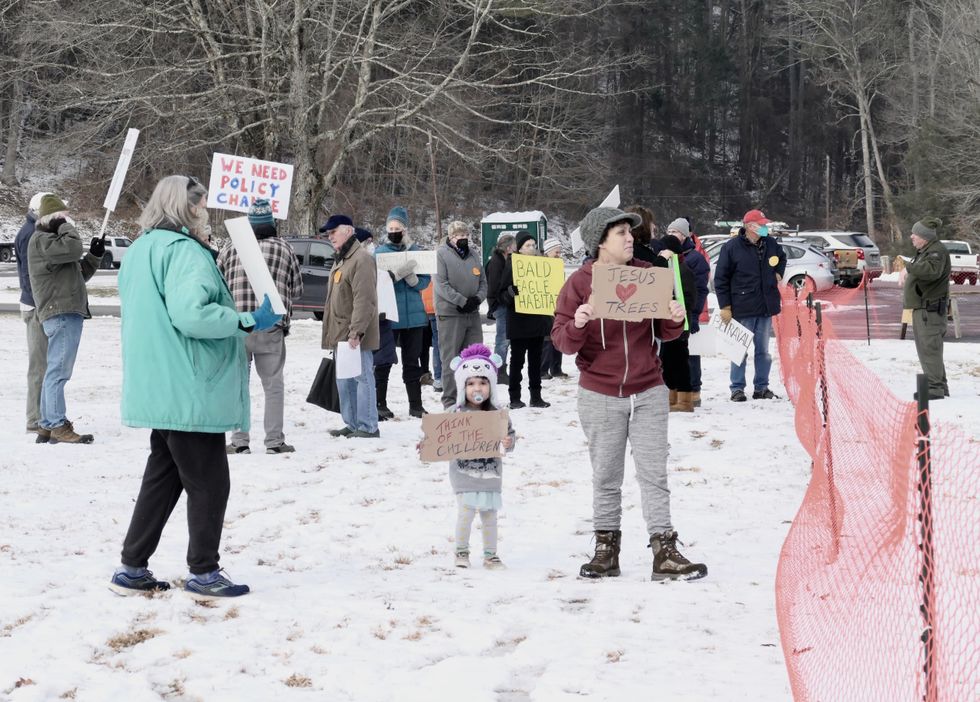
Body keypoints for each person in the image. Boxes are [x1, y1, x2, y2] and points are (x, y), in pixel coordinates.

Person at [110, 175, 280, 599]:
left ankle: (132, 566)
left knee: (163, 478)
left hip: (159, 382)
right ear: (186, 206)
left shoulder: (142, 248)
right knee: (209, 481)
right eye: (202, 202)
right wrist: (243, 320)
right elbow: (192, 315)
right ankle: (204, 570)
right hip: (189, 384)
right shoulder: (184, 252)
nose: (206, 209)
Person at [551, 206, 707, 582]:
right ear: (599, 241)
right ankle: (607, 550)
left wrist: (673, 317)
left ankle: (664, 550)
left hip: (649, 389)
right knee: (606, 476)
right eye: (620, 232)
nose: (629, 238)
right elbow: (561, 340)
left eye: (629, 232)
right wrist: (578, 323)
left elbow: (668, 332)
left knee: (654, 474)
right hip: (600, 393)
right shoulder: (579, 283)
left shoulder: (648, 275)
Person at [217, 198, 304, 454]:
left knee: (238, 385)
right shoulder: (284, 248)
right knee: (273, 385)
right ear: (271, 222)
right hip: (271, 326)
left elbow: (218, 286)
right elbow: (297, 290)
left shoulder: (230, 248)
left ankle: (239, 441)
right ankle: (274, 442)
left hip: (238, 327)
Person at [27, 194, 103, 444]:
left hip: (65, 310)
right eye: (63, 217)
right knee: (58, 372)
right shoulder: (42, 240)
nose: (68, 221)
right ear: (53, 219)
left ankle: (48, 425)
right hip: (59, 313)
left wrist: (94, 255)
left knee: (55, 370)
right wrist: (65, 226)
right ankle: (57, 424)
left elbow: (77, 275)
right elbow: (72, 248)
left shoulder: (51, 243)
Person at [443, 343, 515, 569]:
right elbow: (440, 437)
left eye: (483, 383)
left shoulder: (498, 415)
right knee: (465, 514)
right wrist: (427, 443)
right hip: (464, 475)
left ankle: (490, 555)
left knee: (490, 516)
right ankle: (461, 551)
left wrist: (508, 441)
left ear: (491, 386)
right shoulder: (455, 414)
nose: (478, 388)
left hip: (490, 475)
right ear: (462, 387)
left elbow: (510, 437)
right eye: (471, 383)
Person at [714, 209, 787, 402]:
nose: (764, 227)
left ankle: (761, 388)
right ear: (749, 226)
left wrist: (778, 272)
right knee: (740, 351)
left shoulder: (771, 243)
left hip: (765, 307)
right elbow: (721, 278)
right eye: (760, 224)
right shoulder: (731, 247)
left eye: (765, 224)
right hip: (742, 307)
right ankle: (737, 388)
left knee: (763, 351)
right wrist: (725, 306)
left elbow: (782, 258)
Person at [321, 215, 381, 438]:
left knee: (362, 378)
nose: (330, 237)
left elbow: (364, 300)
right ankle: (353, 423)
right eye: (328, 233)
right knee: (345, 380)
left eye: (333, 232)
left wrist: (357, 331)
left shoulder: (361, 259)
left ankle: (368, 426)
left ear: (348, 231)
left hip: (354, 334)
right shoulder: (342, 259)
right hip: (340, 334)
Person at [374, 206, 432, 418]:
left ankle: (415, 405)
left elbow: (425, 281)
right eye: (391, 227)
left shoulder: (417, 251)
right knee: (383, 360)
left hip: (415, 317)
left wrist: (413, 279)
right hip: (390, 316)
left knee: (412, 361)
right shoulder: (379, 254)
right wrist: (394, 275)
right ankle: (380, 403)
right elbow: (375, 282)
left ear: (405, 229)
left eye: (397, 227)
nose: (394, 230)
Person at [435, 220, 487, 409]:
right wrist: (461, 301)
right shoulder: (441, 254)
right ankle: (450, 401)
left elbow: (483, 281)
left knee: (475, 358)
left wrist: (477, 299)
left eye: (465, 235)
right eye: (459, 235)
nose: (463, 238)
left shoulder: (473, 254)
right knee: (451, 360)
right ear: (451, 237)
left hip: (472, 314)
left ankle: (473, 398)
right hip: (450, 315)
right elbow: (441, 284)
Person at [498, 231, 551, 409]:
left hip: (537, 320)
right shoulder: (512, 264)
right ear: (519, 248)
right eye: (528, 245)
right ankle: (515, 397)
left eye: (534, 245)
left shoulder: (542, 264)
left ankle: (536, 396)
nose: (532, 248)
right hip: (519, 321)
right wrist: (511, 293)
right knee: (517, 361)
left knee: (536, 361)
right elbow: (501, 293)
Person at [902, 217, 951, 400]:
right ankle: (940, 386)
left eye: (915, 234)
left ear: (925, 236)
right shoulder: (927, 250)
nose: (912, 237)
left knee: (929, 348)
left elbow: (931, 271)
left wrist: (909, 267)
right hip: (923, 309)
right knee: (929, 349)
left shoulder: (936, 251)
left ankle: (934, 388)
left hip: (929, 311)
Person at [15, 192, 50, 436]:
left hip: (36, 303)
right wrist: (41, 303)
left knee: (44, 364)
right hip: (35, 305)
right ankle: (34, 418)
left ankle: (42, 415)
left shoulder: (33, 230)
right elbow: (29, 276)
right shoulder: (30, 234)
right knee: (38, 365)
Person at [656, 218, 701, 413]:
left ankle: (684, 399)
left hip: (680, 324)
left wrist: (681, 312)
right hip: (670, 323)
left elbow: (691, 297)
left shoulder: (681, 270)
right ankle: (672, 397)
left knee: (679, 361)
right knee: (668, 360)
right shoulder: (670, 268)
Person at [686, 220, 712, 407]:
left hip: (697, 311)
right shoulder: (670, 250)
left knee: (693, 354)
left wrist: (696, 314)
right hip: (679, 312)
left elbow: (702, 285)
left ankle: (695, 392)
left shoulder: (699, 253)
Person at [485, 233, 516, 384]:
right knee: (502, 339)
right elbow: (494, 286)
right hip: (500, 304)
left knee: (505, 338)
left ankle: (501, 369)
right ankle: (500, 370)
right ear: (509, 247)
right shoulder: (496, 262)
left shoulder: (505, 259)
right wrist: (500, 300)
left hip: (505, 302)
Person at [539, 237, 568, 380]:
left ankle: (556, 368)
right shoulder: (541, 266)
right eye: (556, 252)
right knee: (546, 339)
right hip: (545, 307)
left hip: (557, 306)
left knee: (558, 336)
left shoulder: (558, 266)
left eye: (559, 252)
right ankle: (543, 369)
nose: (558, 254)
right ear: (548, 252)